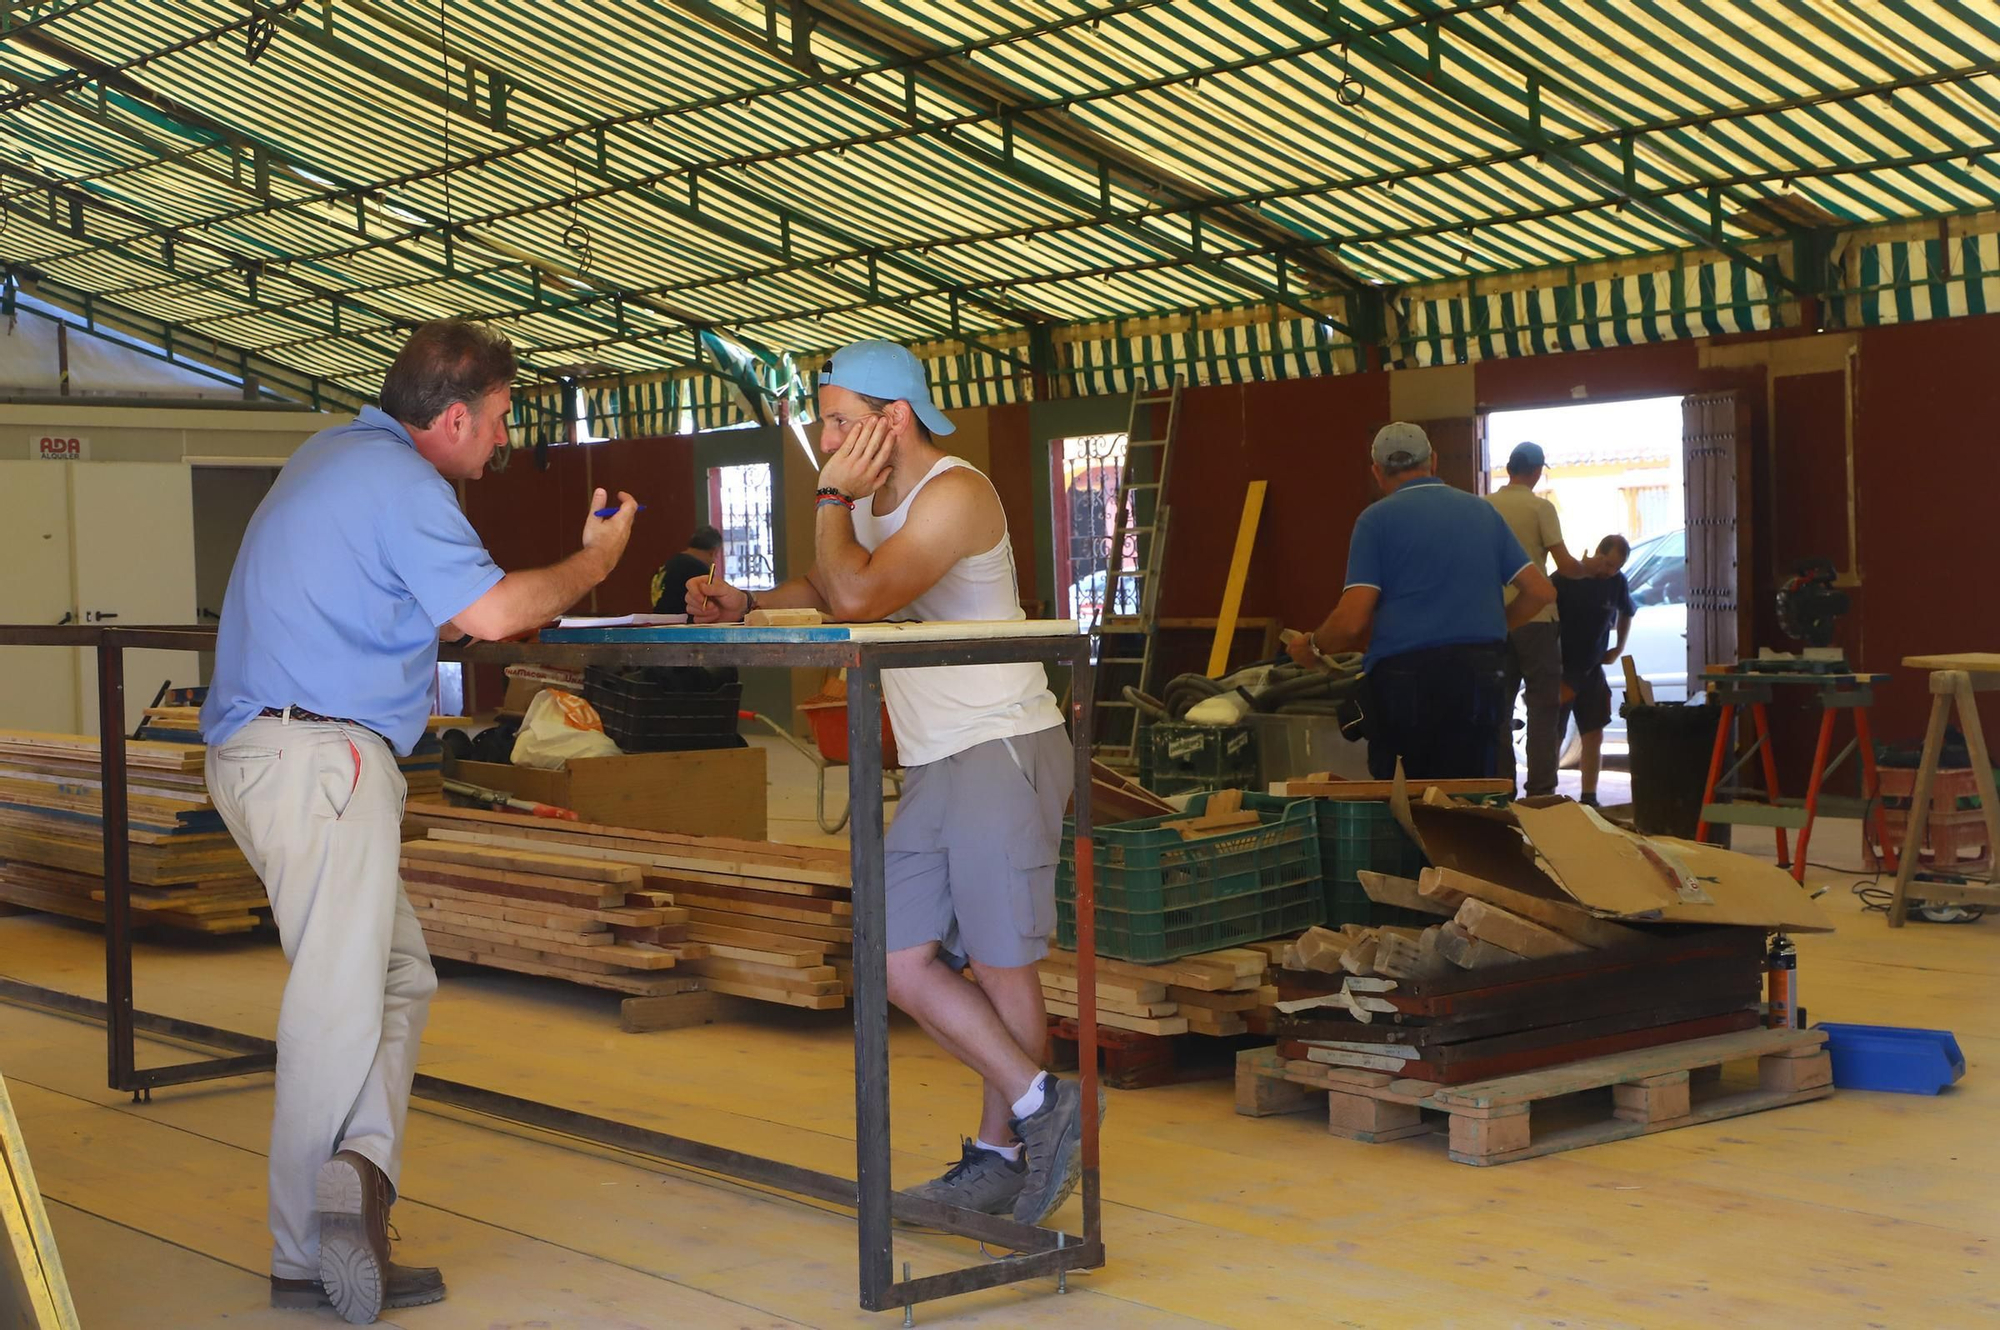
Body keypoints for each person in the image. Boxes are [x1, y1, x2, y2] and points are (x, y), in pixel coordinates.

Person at [200, 319, 638, 1323]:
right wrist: (592, 560)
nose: (499, 442)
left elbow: (431, 607)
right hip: (323, 759)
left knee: (395, 976)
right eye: (494, 422)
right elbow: (488, 618)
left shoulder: (333, 455)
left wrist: (502, 591)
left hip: (273, 753)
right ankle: (304, 1249)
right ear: (448, 417)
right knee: (336, 1006)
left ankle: (357, 1177)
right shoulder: (405, 483)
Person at [686, 340, 1085, 1226]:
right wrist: (750, 601)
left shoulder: (955, 494)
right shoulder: (871, 506)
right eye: (825, 421)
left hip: (1001, 743)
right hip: (937, 754)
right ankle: (1039, 1106)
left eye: (838, 420)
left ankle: (1000, 1156)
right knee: (894, 958)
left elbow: (862, 599)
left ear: (893, 419)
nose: (827, 437)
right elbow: (834, 585)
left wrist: (830, 497)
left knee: (999, 959)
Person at [1288, 422, 1555, 780]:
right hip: (1481, 675)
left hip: (1406, 682)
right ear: (1434, 462)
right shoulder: (1482, 512)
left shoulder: (1376, 520)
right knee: (1470, 800)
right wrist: (1491, 625)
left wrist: (1313, 647)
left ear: (1377, 472)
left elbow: (1352, 619)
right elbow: (1541, 592)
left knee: (1408, 805)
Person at [1486, 442, 1584, 797]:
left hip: (1495, 621)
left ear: (1510, 467)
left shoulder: (1485, 506)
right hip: (1537, 619)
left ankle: (1501, 786)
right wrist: (1589, 569)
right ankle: (1541, 789)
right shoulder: (1541, 508)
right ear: (1536, 470)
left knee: (1498, 707)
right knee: (1543, 707)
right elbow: (1565, 564)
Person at [1554, 534, 1637, 806]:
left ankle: (1589, 796)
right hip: (1563, 668)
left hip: (1592, 669)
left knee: (1594, 732)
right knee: (1553, 733)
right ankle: (1544, 792)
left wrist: (1618, 647)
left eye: (1616, 567)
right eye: (1607, 564)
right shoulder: (1567, 577)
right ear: (1597, 553)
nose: (1608, 572)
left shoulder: (1616, 583)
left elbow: (1628, 611)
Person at [651, 525, 723, 614]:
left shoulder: (669, 564)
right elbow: (709, 608)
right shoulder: (699, 571)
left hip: (659, 623)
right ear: (713, 552)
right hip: (682, 625)